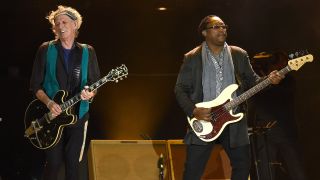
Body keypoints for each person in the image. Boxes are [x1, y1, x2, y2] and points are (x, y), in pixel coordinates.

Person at [174, 15, 284, 180]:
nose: (222, 29)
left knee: (242, 166)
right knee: (192, 172)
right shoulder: (192, 57)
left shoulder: (238, 54)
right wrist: (194, 110)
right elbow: (180, 88)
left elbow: (252, 82)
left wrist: (268, 80)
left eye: (224, 26)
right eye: (216, 26)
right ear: (204, 32)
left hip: (234, 120)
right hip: (204, 119)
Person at [29, 5, 100, 180]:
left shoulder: (87, 51)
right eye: (56, 23)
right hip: (52, 115)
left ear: (75, 24)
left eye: (64, 22)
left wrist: (90, 93)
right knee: (53, 163)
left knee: (73, 163)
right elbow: (35, 85)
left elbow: (94, 83)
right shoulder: (46, 49)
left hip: (79, 114)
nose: (60, 26)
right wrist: (49, 103)